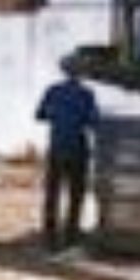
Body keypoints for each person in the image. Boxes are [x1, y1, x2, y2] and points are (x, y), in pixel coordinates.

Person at [34, 69, 101, 252]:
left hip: (57, 148)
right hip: (78, 150)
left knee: (52, 193)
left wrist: (56, 115)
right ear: (81, 76)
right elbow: (94, 122)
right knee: (76, 194)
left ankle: (50, 236)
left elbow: (39, 115)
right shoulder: (87, 94)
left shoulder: (53, 91)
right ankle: (71, 235)